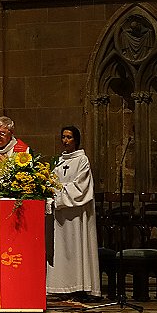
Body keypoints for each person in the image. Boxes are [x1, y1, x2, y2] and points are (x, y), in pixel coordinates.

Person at [46, 126, 101, 301]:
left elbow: (81, 187)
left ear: (76, 140)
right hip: (61, 214)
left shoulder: (82, 160)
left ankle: (80, 286)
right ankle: (62, 286)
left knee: (77, 248)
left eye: (69, 137)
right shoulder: (60, 161)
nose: (65, 140)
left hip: (76, 212)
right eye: (63, 137)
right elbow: (53, 181)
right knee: (62, 250)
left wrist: (59, 194)